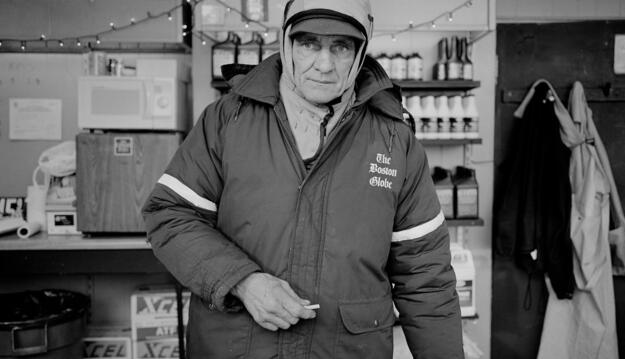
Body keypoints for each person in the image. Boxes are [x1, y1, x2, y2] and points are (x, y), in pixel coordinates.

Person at [142, 0, 463, 358]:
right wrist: (242, 281)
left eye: (340, 47)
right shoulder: (227, 121)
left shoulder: (394, 143)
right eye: (309, 43)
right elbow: (170, 215)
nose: (324, 65)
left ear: (360, 53)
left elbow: (426, 278)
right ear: (286, 43)